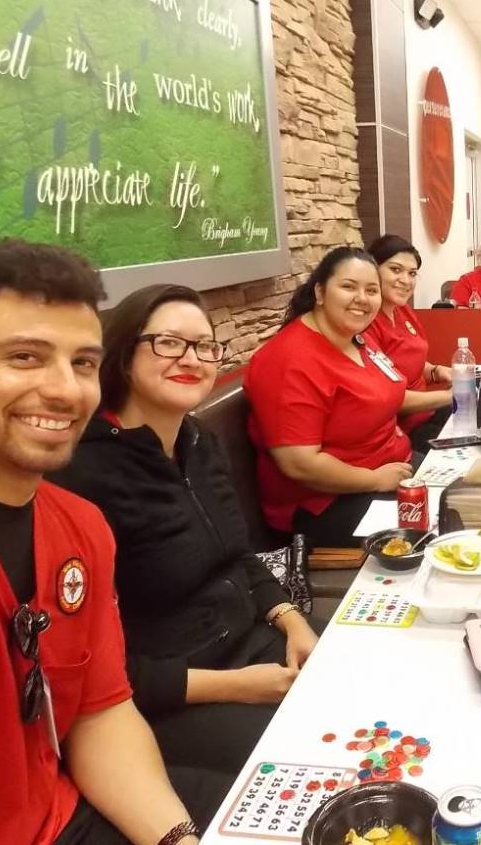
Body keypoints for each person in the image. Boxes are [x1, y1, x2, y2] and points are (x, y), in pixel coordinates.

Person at [0, 239, 225, 845]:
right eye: (24, 357)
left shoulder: (80, 525)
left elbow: (100, 713)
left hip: (66, 812)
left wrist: (178, 838)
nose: (67, 391)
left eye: (84, 363)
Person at [51, 284, 319, 777]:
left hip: (252, 644)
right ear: (124, 354)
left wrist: (292, 620)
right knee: (315, 758)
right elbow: (90, 668)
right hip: (167, 698)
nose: (191, 358)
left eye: (203, 345)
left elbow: (238, 555)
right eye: (169, 342)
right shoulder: (80, 475)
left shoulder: (199, 442)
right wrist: (238, 686)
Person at [245, 246, 416, 549]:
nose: (362, 299)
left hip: (391, 469)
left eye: (371, 290)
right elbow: (300, 464)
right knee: (435, 530)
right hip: (325, 504)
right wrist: (375, 480)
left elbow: (390, 394)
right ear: (320, 292)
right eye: (349, 287)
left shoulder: (358, 339)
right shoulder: (289, 359)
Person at [364, 234, 453, 452]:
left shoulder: (402, 310)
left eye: (412, 273)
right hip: (404, 432)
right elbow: (387, 398)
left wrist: (437, 371)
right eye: (396, 270)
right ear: (373, 270)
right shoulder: (366, 323)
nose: (406, 280)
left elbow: (408, 363)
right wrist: (450, 396)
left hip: (428, 414)